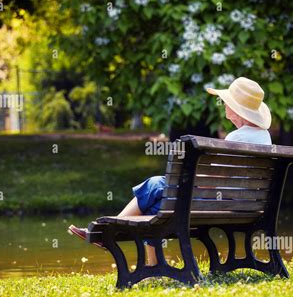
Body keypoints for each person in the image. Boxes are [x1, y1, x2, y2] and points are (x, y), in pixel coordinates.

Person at [68, 76, 273, 265]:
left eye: (227, 101)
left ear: (236, 110)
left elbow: (213, 182)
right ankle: (144, 259)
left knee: (155, 184)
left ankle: (107, 231)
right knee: (157, 202)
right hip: (245, 207)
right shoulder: (264, 138)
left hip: (217, 203)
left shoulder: (236, 139)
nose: (224, 105)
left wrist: (187, 180)